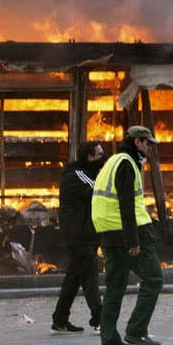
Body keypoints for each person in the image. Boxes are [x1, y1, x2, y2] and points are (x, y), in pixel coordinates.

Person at [93, 126, 165, 345]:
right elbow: (126, 205)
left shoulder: (114, 160)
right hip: (129, 233)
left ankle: (109, 339)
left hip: (109, 233)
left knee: (115, 286)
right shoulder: (127, 164)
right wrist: (133, 240)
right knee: (154, 278)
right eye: (147, 143)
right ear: (137, 142)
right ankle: (136, 329)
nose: (150, 147)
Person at [52, 141, 104, 333]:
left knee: (74, 278)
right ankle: (100, 318)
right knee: (90, 277)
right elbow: (98, 192)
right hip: (80, 236)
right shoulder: (78, 176)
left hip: (85, 234)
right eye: (100, 155)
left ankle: (59, 318)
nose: (103, 159)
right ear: (89, 158)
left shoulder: (87, 174)